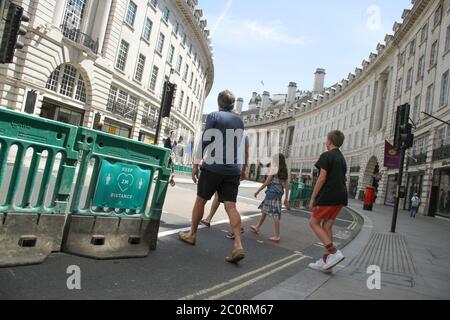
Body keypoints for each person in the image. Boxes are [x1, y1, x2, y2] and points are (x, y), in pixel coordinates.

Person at [178, 90, 247, 264]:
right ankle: (238, 245)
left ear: (219, 102)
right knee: (231, 206)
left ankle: (192, 234)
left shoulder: (214, 116)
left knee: (201, 200)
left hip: (214, 166)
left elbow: (206, 140)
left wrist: (195, 163)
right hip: (232, 169)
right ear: (232, 105)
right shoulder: (239, 121)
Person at [308, 130, 348, 273]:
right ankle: (327, 261)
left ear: (330, 141)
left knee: (313, 222)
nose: (325, 141)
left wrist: (313, 197)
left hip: (329, 196)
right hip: (341, 196)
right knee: (327, 226)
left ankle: (334, 253)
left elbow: (322, 178)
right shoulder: (342, 158)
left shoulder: (326, 156)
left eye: (326, 138)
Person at [250, 154, 290, 243]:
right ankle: (257, 227)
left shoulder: (274, 169)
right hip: (278, 194)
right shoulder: (285, 171)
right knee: (265, 210)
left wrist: (258, 191)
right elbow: (287, 185)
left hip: (271, 193)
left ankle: (277, 236)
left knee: (275, 214)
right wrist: (286, 198)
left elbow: (267, 182)